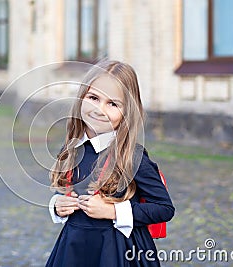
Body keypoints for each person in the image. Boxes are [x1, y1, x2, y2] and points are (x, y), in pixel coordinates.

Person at [46, 60, 175, 267]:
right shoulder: (71, 149)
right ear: (81, 98)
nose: (99, 110)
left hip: (118, 251)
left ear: (128, 111)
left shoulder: (132, 157)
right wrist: (58, 204)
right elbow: (69, 189)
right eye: (93, 98)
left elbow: (164, 208)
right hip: (74, 247)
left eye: (112, 104)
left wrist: (112, 212)